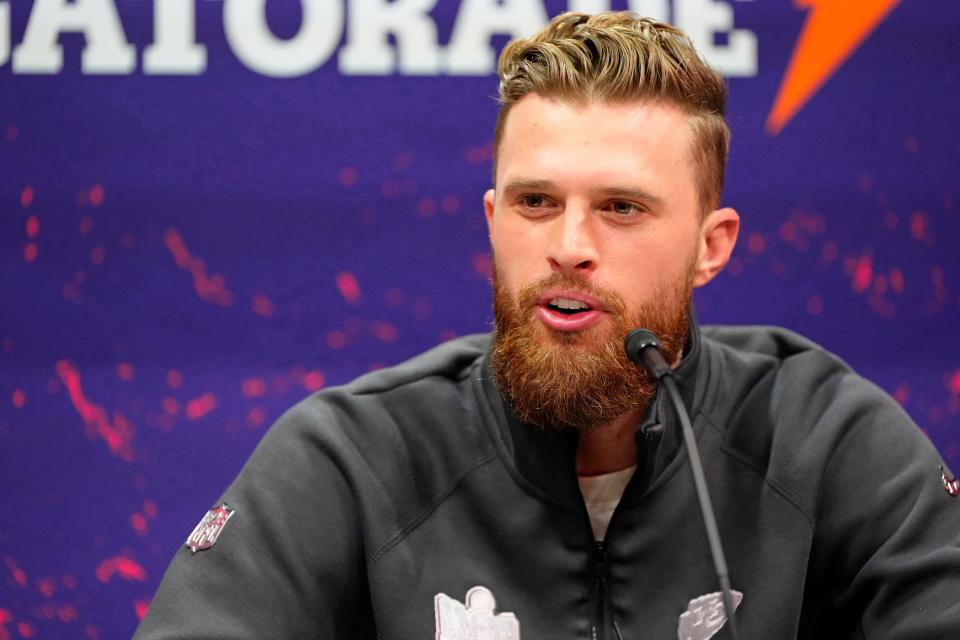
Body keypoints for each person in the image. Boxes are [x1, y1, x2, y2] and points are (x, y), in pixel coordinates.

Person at [134, 12, 960, 639]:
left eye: (621, 209)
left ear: (711, 248)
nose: (569, 248)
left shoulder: (820, 441)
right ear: (493, 219)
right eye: (536, 203)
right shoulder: (355, 458)